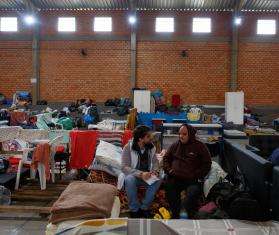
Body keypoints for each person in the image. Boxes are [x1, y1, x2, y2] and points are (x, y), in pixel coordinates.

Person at [163, 124, 212, 219]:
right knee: (169, 188)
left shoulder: (200, 146)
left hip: (191, 179)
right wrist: (169, 170)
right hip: (175, 177)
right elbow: (166, 158)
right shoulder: (175, 145)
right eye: (180, 134)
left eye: (184, 134)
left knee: (193, 192)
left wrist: (196, 174)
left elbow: (207, 163)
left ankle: (188, 213)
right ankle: (175, 214)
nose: (181, 136)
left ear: (191, 135)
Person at [121, 125, 161, 218]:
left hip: (148, 176)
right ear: (140, 139)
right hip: (135, 176)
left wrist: (155, 171)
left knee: (160, 178)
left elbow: (155, 163)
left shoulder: (151, 147)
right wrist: (141, 174)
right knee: (129, 180)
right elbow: (124, 167)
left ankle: (144, 207)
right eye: (148, 137)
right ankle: (134, 209)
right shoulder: (128, 147)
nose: (151, 138)